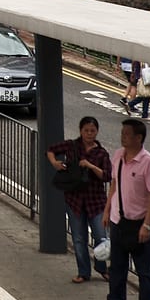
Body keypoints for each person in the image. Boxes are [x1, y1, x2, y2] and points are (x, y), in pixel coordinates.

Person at [104, 117, 150, 300]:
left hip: (140, 225)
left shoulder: (149, 162)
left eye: (127, 134)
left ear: (139, 138)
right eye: (122, 133)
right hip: (119, 221)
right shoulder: (118, 156)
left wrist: (146, 224)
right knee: (117, 267)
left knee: (144, 272)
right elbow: (114, 184)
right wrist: (107, 210)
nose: (123, 137)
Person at [47, 116, 113, 283]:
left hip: (96, 202)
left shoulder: (102, 153)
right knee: (78, 238)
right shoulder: (71, 145)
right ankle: (83, 272)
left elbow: (106, 176)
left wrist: (90, 166)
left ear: (97, 132)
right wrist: (55, 162)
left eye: (92, 131)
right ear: (80, 130)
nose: (89, 134)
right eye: (86, 130)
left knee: (101, 238)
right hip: (75, 199)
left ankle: (102, 268)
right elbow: (51, 149)